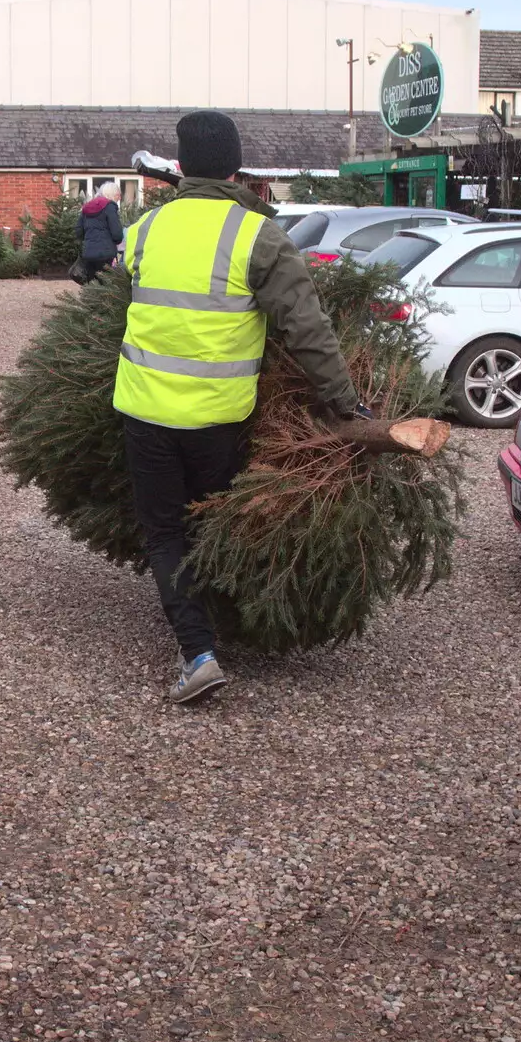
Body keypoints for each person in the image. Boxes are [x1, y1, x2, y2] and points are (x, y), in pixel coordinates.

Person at [113, 110, 369, 705]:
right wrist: (344, 402)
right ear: (236, 166)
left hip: (145, 412)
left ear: (178, 166)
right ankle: (224, 628)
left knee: (163, 532)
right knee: (211, 522)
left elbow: (127, 285)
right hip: (218, 418)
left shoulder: (146, 228)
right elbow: (306, 329)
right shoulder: (258, 236)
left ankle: (197, 649)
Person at [74, 181, 124, 284]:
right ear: (112, 194)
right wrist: (118, 241)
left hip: (89, 253)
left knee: (92, 285)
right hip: (106, 253)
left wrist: (89, 242)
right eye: (118, 195)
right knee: (106, 286)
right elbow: (117, 234)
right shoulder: (109, 206)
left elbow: (78, 230)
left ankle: (90, 300)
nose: (119, 198)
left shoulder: (87, 206)